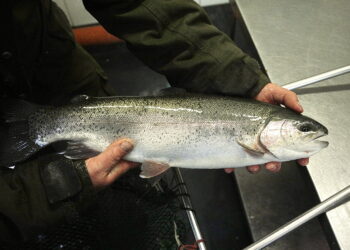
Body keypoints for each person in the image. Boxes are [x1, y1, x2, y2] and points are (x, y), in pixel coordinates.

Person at [0, 0, 308, 243]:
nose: (307, 133)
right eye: (304, 130)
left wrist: (238, 79)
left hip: (48, 58)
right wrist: (39, 196)